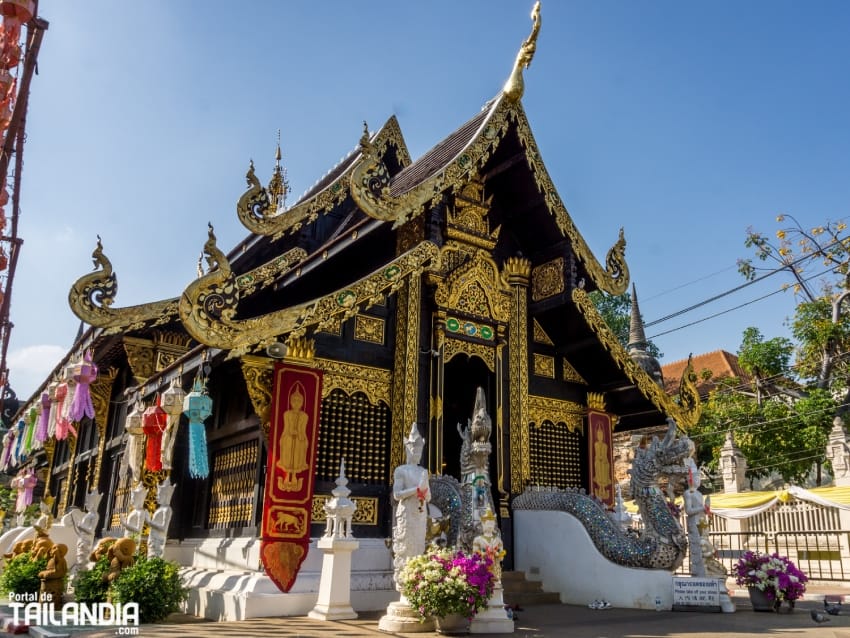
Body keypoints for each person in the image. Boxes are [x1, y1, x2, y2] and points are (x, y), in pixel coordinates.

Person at [391, 422, 430, 590]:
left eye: (420, 450)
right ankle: (405, 581)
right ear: (408, 449)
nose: (417, 453)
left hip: (420, 511)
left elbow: (429, 496)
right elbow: (397, 494)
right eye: (414, 449)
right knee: (406, 547)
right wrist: (415, 490)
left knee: (418, 546)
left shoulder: (423, 472)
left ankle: (417, 581)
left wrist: (423, 492)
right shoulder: (401, 470)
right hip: (407, 512)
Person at [276, 382, 310, 490]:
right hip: (288, 437)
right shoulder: (287, 414)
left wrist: (299, 433)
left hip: (300, 438)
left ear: (302, 402)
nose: (296, 403)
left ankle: (294, 476)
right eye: (294, 400)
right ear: (290, 401)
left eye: (299, 401)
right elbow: (286, 428)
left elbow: (303, 429)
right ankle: (286, 476)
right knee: (287, 444)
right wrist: (291, 432)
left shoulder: (304, 416)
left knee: (300, 448)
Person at [473, 507, 505, 583]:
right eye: (488, 523)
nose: (490, 526)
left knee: (496, 586)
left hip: (495, 568)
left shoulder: (498, 540)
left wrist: (497, 554)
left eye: (492, 523)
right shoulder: (478, 540)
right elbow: (474, 555)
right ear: (483, 524)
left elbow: (501, 557)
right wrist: (484, 554)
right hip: (483, 567)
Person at [147, 478, 176, 558]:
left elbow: (163, 528)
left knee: (154, 558)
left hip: (158, 540)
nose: (157, 497)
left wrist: (150, 522)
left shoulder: (167, 510)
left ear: (166, 495)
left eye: (159, 495)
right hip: (153, 538)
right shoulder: (160, 509)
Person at [593, 425, 612, 501]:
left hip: (604, 461)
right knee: (597, 464)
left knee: (606, 466)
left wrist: (604, 459)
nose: (600, 436)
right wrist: (599, 458)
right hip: (598, 461)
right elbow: (597, 454)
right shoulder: (596, 444)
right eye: (598, 435)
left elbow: (605, 455)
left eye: (601, 435)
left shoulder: (605, 445)